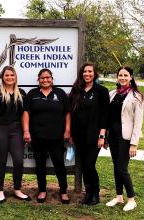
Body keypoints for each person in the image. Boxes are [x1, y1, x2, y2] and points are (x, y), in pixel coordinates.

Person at [23, 68, 70, 204]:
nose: (45, 80)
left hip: (57, 137)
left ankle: (63, 191)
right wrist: (26, 131)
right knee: (40, 165)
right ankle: (42, 190)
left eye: (48, 77)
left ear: (52, 79)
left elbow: (67, 113)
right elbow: (26, 113)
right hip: (38, 137)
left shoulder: (60, 93)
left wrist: (67, 130)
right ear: (38, 80)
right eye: (42, 78)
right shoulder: (32, 94)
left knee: (59, 164)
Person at [0, 66, 31, 203]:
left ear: (15, 76)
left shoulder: (22, 93)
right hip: (0, 129)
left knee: (18, 161)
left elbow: (25, 114)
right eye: (7, 75)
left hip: (16, 130)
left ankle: (17, 190)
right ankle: (0, 191)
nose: (9, 77)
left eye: (12, 75)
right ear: (2, 77)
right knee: (1, 161)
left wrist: (26, 131)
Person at [69, 62, 109, 205]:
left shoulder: (102, 91)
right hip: (78, 135)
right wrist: (71, 135)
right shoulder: (76, 90)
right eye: (85, 72)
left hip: (94, 135)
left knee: (89, 165)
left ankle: (95, 194)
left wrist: (102, 136)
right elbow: (71, 114)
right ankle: (88, 194)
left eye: (90, 72)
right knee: (85, 166)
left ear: (94, 73)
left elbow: (105, 115)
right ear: (81, 74)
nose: (87, 74)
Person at [106, 66, 144, 211]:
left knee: (122, 168)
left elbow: (138, 122)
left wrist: (134, 144)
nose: (122, 78)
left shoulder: (137, 96)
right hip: (113, 137)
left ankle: (132, 199)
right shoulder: (112, 94)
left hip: (126, 138)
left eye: (125, 75)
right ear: (117, 77)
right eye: (120, 75)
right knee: (116, 167)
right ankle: (119, 197)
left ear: (131, 77)